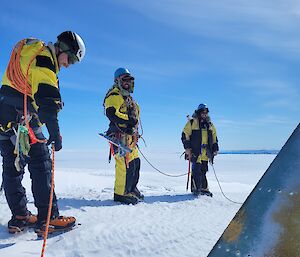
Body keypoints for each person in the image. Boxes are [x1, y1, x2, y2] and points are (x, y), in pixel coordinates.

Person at [0, 31, 86, 235]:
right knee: (41, 165)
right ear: (62, 49)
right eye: (71, 59)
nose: (68, 65)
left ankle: (20, 217)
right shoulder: (44, 59)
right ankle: (49, 219)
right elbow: (47, 98)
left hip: (3, 116)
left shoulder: (29, 52)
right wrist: (55, 132)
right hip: (23, 115)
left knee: (12, 167)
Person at [103, 67, 143, 205]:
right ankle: (120, 193)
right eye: (124, 79)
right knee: (123, 165)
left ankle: (131, 188)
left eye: (129, 80)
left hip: (130, 137)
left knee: (135, 163)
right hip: (119, 136)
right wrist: (128, 121)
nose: (127, 82)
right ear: (117, 81)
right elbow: (111, 113)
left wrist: (134, 129)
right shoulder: (114, 95)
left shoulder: (129, 98)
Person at [181, 103, 219, 196]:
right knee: (196, 170)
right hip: (195, 151)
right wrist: (187, 147)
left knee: (203, 170)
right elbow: (185, 135)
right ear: (199, 112)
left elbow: (214, 137)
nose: (204, 114)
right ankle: (196, 188)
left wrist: (215, 147)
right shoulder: (192, 123)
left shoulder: (210, 125)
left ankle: (204, 188)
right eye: (202, 112)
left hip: (206, 153)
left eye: (206, 112)